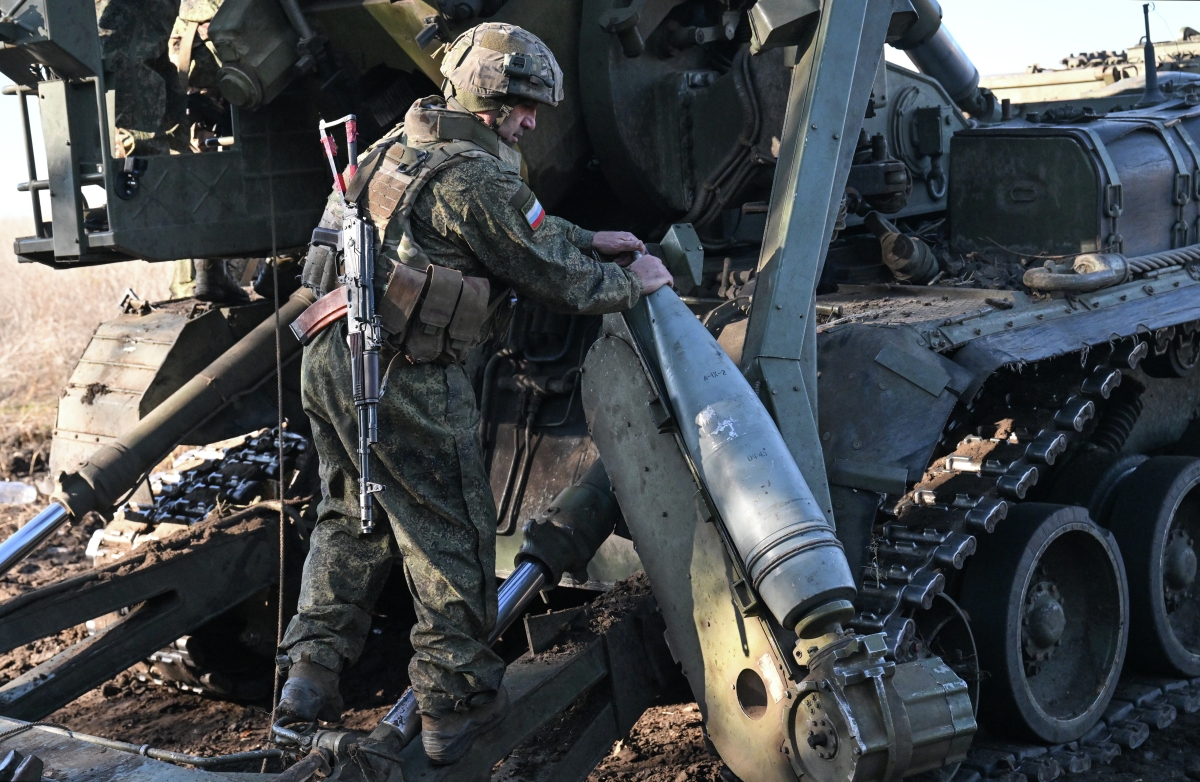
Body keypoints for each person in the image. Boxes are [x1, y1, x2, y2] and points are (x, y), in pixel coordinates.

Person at [276, 22, 672, 765]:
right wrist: (632, 279)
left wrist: (588, 237)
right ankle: (454, 709)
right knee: (451, 529)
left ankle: (309, 675)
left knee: (352, 517)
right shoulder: (477, 178)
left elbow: (521, 231)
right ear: (491, 102)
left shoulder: (390, 148)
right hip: (404, 371)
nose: (532, 123)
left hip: (330, 358)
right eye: (526, 107)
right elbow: (552, 277)